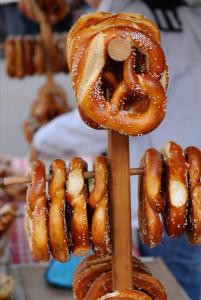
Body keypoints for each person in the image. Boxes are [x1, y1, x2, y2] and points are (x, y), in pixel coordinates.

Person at [33, 1, 201, 299]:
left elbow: (105, 113)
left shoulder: (115, 18)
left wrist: (44, 138)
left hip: (165, 182)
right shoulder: (188, 14)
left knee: (183, 269)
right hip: (182, 160)